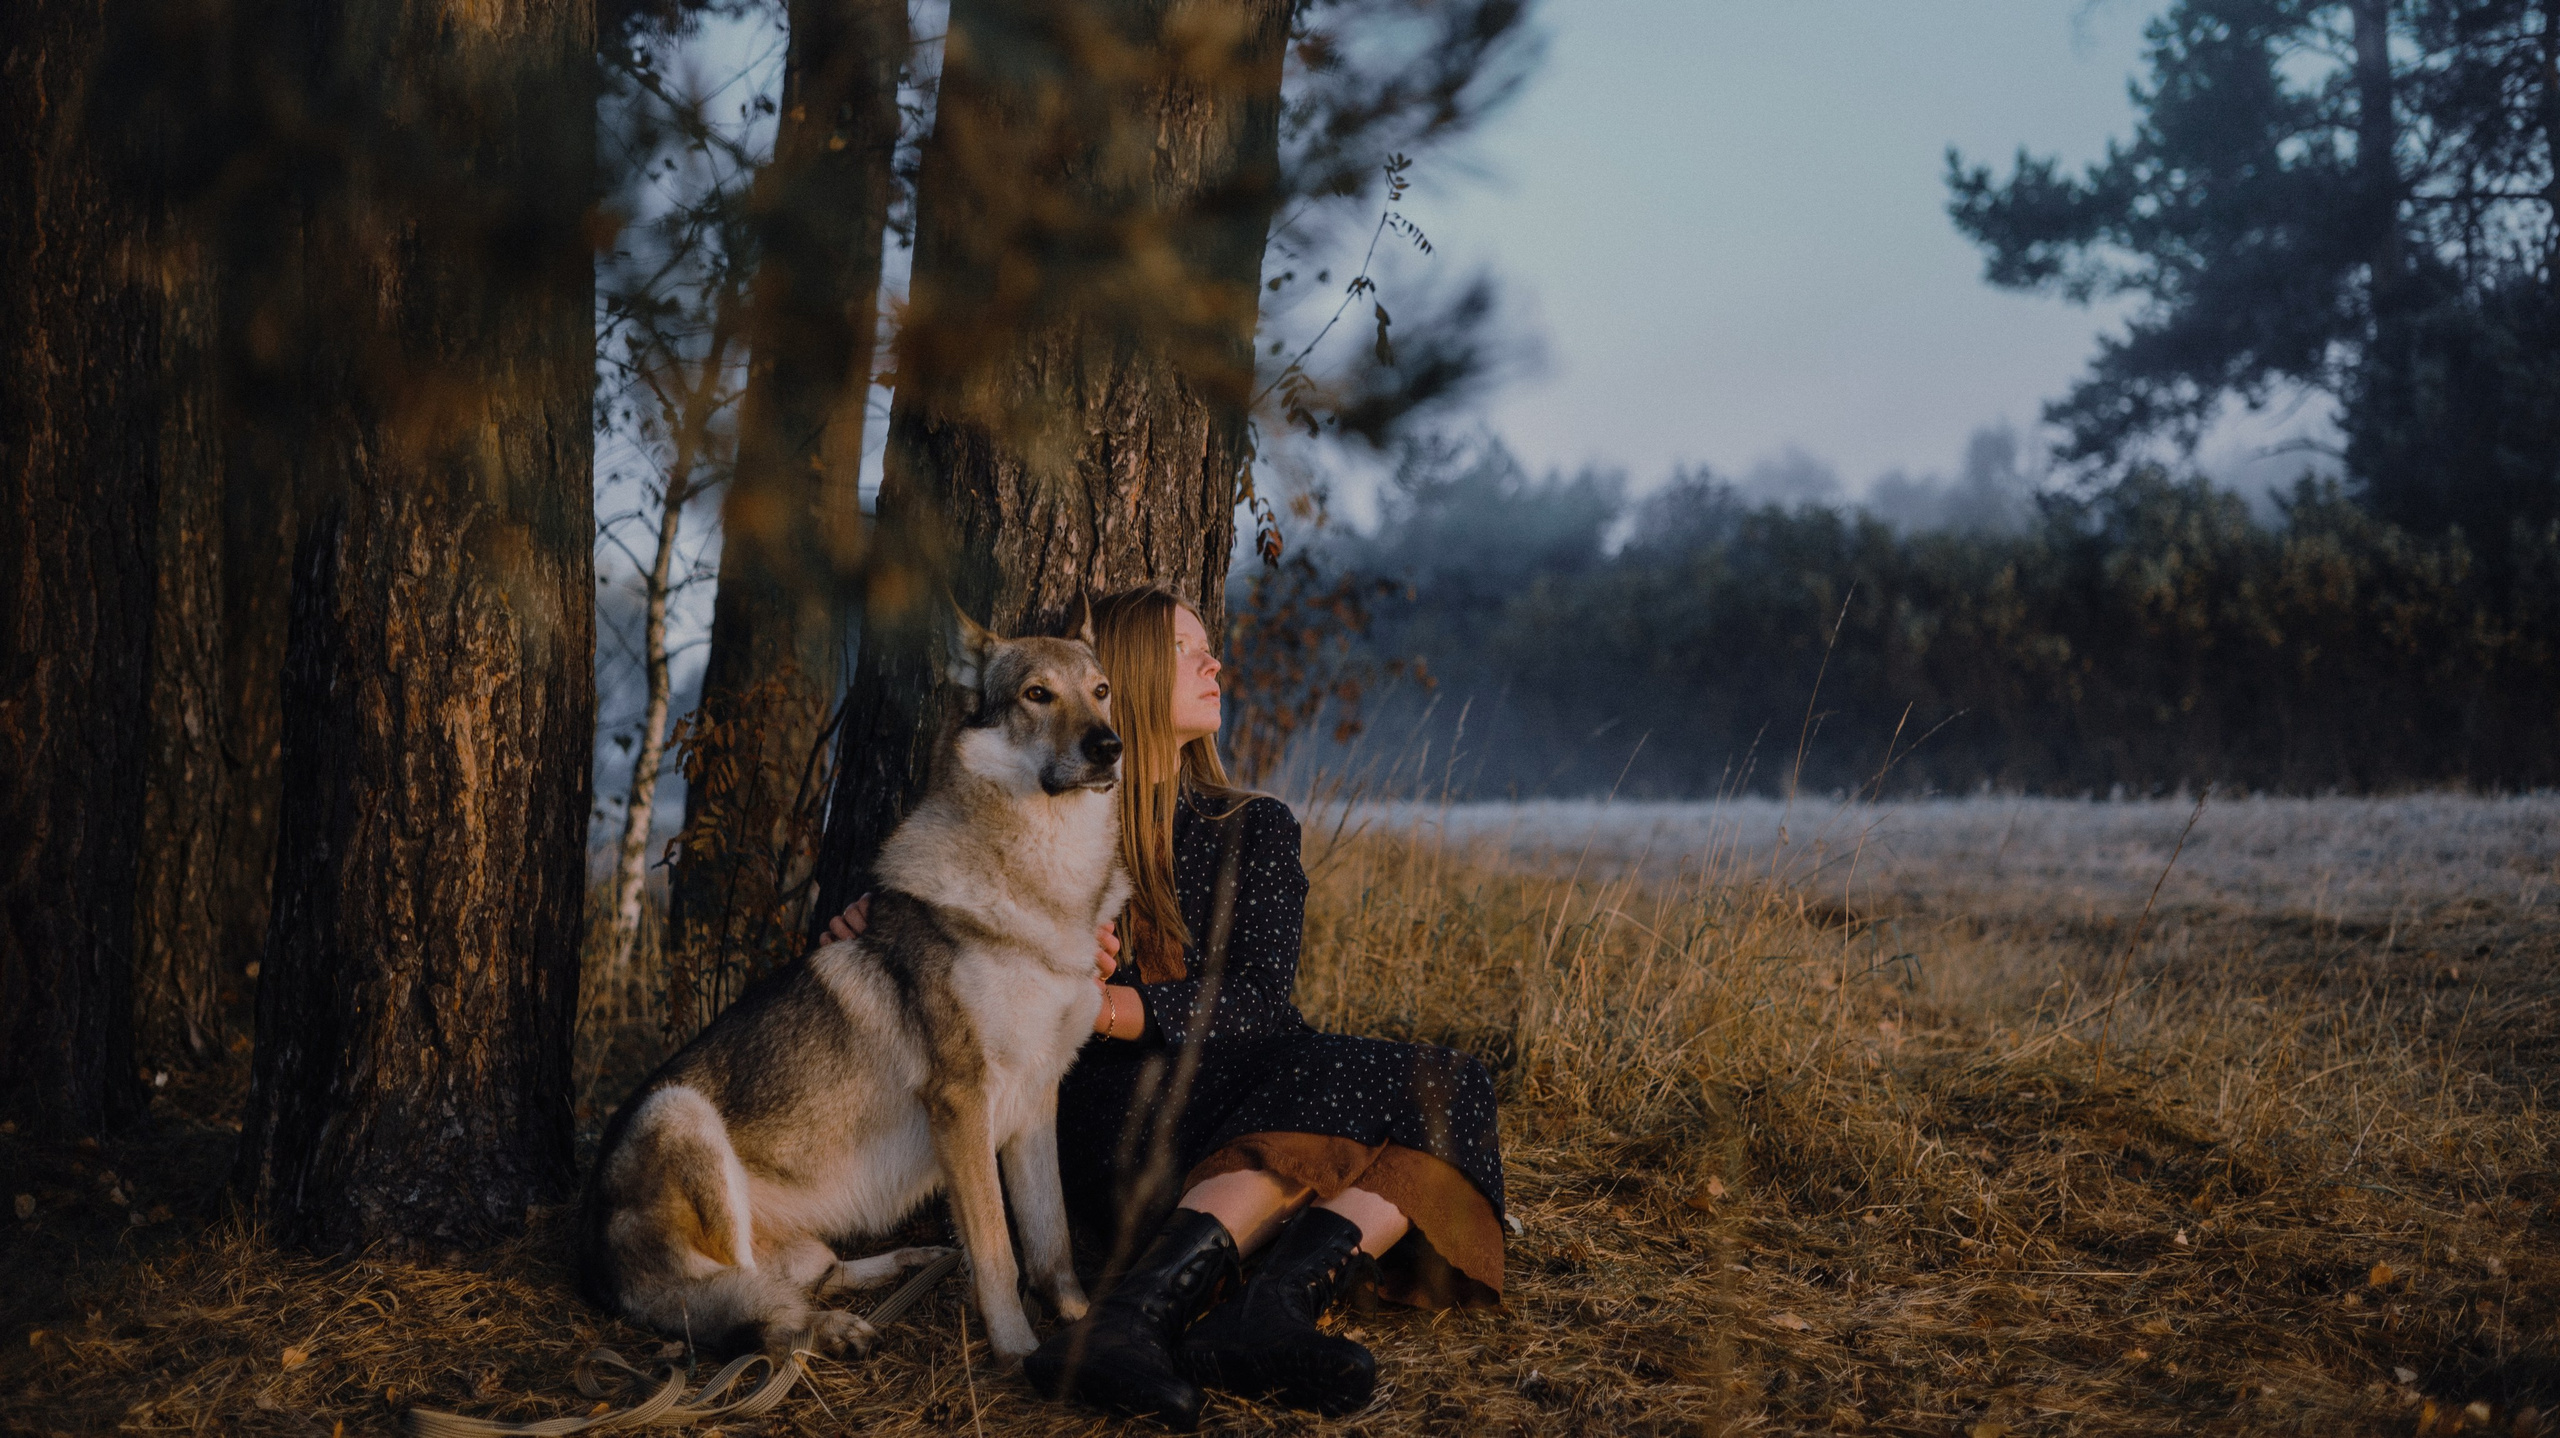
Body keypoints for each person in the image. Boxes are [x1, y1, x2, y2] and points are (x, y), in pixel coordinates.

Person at [823, 586, 1504, 1429]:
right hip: (1104, 1128)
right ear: (1133, 674)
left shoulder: (1246, 828)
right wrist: (881, 925)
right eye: (1189, 648)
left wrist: (1107, 1002)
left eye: (1210, 644)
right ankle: (1153, 1312)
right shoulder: (1037, 821)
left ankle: (1258, 1313)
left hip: (1223, 1112)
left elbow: (1260, 1007)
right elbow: (949, 913)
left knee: (1452, 1081)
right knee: (1373, 1080)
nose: (1215, 662)